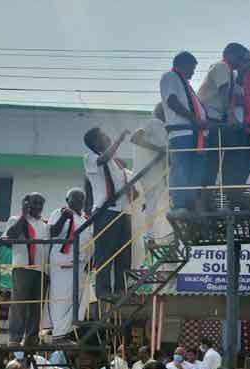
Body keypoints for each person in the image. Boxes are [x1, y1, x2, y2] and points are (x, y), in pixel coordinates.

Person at [83, 126, 133, 299]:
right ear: (94, 142)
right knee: (105, 253)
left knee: (124, 254)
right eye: (103, 136)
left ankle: (121, 289)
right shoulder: (90, 158)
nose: (107, 137)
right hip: (105, 212)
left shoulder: (117, 163)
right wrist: (119, 140)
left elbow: (124, 185)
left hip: (124, 211)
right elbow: (103, 159)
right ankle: (103, 291)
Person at [197, 43, 249, 194]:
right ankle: (211, 196)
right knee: (213, 162)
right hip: (211, 121)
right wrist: (231, 116)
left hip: (215, 120)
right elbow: (223, 92)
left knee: (218, 160)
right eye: (240, 57)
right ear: (229, 54)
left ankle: (223, 192)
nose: (241, 61)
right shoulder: (222, 67)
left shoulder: (229, 72)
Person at [160, 51, 208, 211]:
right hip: (181, 133)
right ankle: (179, 203)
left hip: (193, 133)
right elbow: (172, 101)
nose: (193, 72)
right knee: (181, 168)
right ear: (183, 64)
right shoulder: (171, 77)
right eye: (192, 68)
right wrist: (195, 119)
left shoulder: (184, 84)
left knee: (192, 170)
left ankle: (189, 203)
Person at [43, 188, 92, 343]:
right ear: (67, 199)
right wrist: (64, 217)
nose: (78, 202)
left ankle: (64, 332)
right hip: (62, 261)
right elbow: (52, 232)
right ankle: (58, 334)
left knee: (74, 299)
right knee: (61, 297)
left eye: (81, 199)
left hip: (80, 264)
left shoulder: (84, 218)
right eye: (74, 199)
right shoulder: (60, 212)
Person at [5, 192, 49, 347]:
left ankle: (31, 338)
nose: (37, 206)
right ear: (26, 203)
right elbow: (11, 236)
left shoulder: (45, 224)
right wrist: (23, 214)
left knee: (37, 307)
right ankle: (15, 338)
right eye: (33, 203)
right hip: (23, 267)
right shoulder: (16, 220)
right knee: (19, 304)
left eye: (39, 203)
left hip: (43, 270)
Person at [130, 103, 171, 270]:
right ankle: (147, 240)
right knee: (144, 210)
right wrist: (159, 150)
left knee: (152, 211)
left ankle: (149, 240)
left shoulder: (165, 128)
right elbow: (135, 138)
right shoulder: (152, 122)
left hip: (157, 178)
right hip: (145, 176)